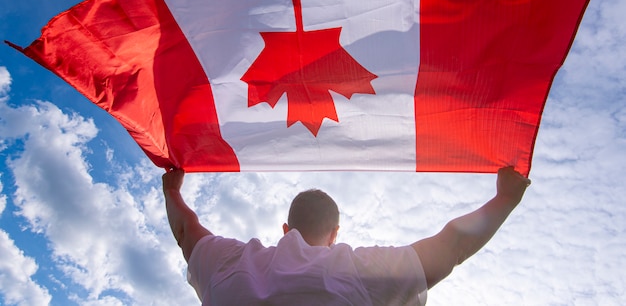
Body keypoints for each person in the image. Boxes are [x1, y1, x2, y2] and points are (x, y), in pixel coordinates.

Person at [163, 166, 530, 305]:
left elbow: (185, 231)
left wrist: (173, 191)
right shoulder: (358, 270)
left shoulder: (231, 262)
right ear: (335, 233)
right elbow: (452, 247)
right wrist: (505, 198)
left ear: (286, 229)